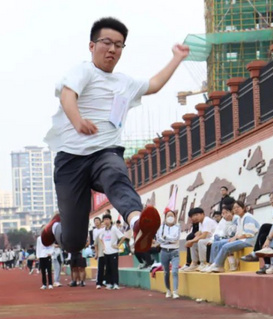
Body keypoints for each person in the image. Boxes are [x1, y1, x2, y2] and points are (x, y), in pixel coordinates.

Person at [40, 17, 189, 256]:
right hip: (71, 159)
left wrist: (177, 58)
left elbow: (154, 84)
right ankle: (54, 228)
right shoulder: (84, 71)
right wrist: (78, 121)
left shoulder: (124, 83)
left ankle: (137, 222)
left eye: (118, 45)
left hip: (105, 152)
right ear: (92, 46)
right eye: (106, 43)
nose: (112, 49)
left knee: (116, 175)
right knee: (74, 241)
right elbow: (67, 96)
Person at [205, 201, 259, 273]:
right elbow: (238, 233)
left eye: (238, 207)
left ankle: (219, 265)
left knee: (226, 246)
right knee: (217, 243)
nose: (236, 209)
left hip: (249, 240)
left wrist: (235, 238)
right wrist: (234, 238)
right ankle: (213, 263)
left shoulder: (248, 217)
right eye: (234, 208)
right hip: (242, 239)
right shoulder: (240, 218)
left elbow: (249, 234)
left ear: (243, 208)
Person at [183, 207, 217, 272]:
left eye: (196, 215)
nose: (195, 217)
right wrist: (191, 242)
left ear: (202, 214)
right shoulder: (200, 222)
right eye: (193, 216)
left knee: (201, 242)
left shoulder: (207, 221)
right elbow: (199, 235)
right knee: (194, 243)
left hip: (214, 239)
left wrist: (191, 241)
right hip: (208, 240)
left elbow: (204, 236)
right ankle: (194, 263)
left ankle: (203, 263)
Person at [156, 210, 180, 298]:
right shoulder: (161, 227)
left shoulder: (177, 227)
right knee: (166, 272)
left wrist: (166, 238)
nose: (170, 218)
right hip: (164, 251)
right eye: (168, 216)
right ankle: (168, 290)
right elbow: (159, 239)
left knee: (174, 271)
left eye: (172, 216)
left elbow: (176, 238)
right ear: (165, 218)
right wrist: (168, 239)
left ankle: (175, 291)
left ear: (174, 217)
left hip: (175, 251)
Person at [98, 214, 124, 290]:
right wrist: (103, 246)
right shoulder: (103, 230)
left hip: (114, 252)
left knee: (114, 268)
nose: (106, 221)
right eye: (104, 219)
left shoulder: (114, 229)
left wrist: (118, 245)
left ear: (110, 220)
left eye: (107, 219)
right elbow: (100, 238)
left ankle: (115, 283)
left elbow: (123, 237)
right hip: (106, 252)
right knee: (108, 268)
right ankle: (109, 283)